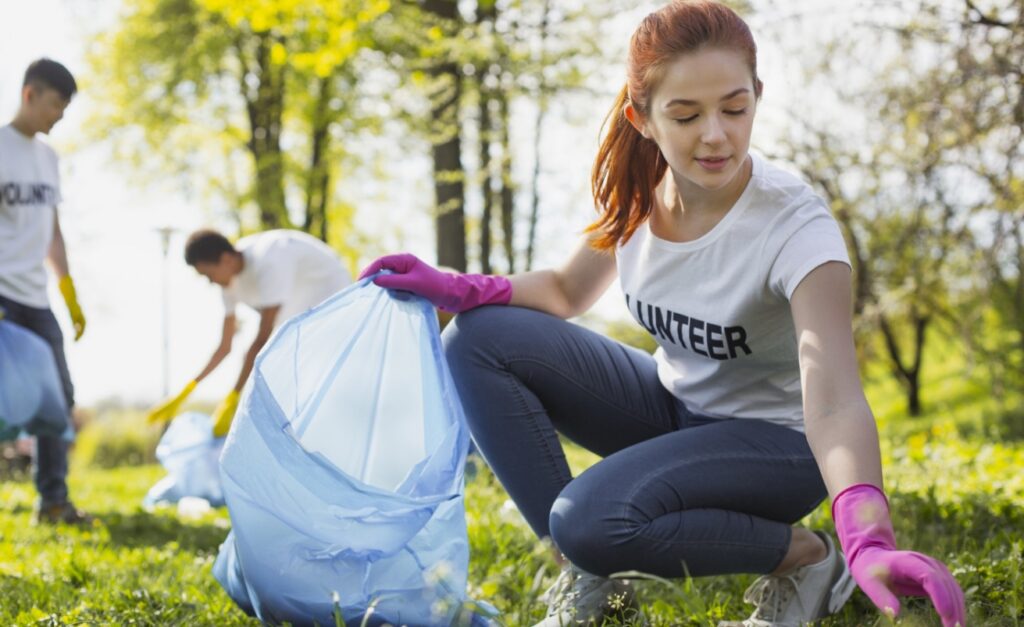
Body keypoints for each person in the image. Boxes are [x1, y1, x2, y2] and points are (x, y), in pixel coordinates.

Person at [358, 2, 967, 626]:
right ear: (641, 117)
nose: (716, 135)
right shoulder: (638, 194)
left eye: (735, 108)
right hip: (675, 409)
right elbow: (566, 291)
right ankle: (596, 588)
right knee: (477, 338)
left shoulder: (797, 230)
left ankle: (806, 557)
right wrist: (455, 287)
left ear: (757, 95)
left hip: (778, 448)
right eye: (686, 115)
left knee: (587, 519)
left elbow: (835, 403)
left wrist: (870, 534)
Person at [145, 229, 352, 436]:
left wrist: (234, 396)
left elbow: (262, 338)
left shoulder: (271, 258)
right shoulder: (228, 283)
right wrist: (187, 390)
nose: (210, 282)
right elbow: (225, 347)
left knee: (318, 386)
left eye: (208, 274)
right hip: (300, 314)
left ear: (225, 259)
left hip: (335, 303)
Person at [0, 58, 90, 525]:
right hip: (1, 297)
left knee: (58, 396)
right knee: (5, 401)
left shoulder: (48, 159)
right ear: (29, 95)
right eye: (56, 105)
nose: (59, 116)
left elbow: (52, 231)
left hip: (36, 298)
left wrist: (68, 290)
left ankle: (53, 502)